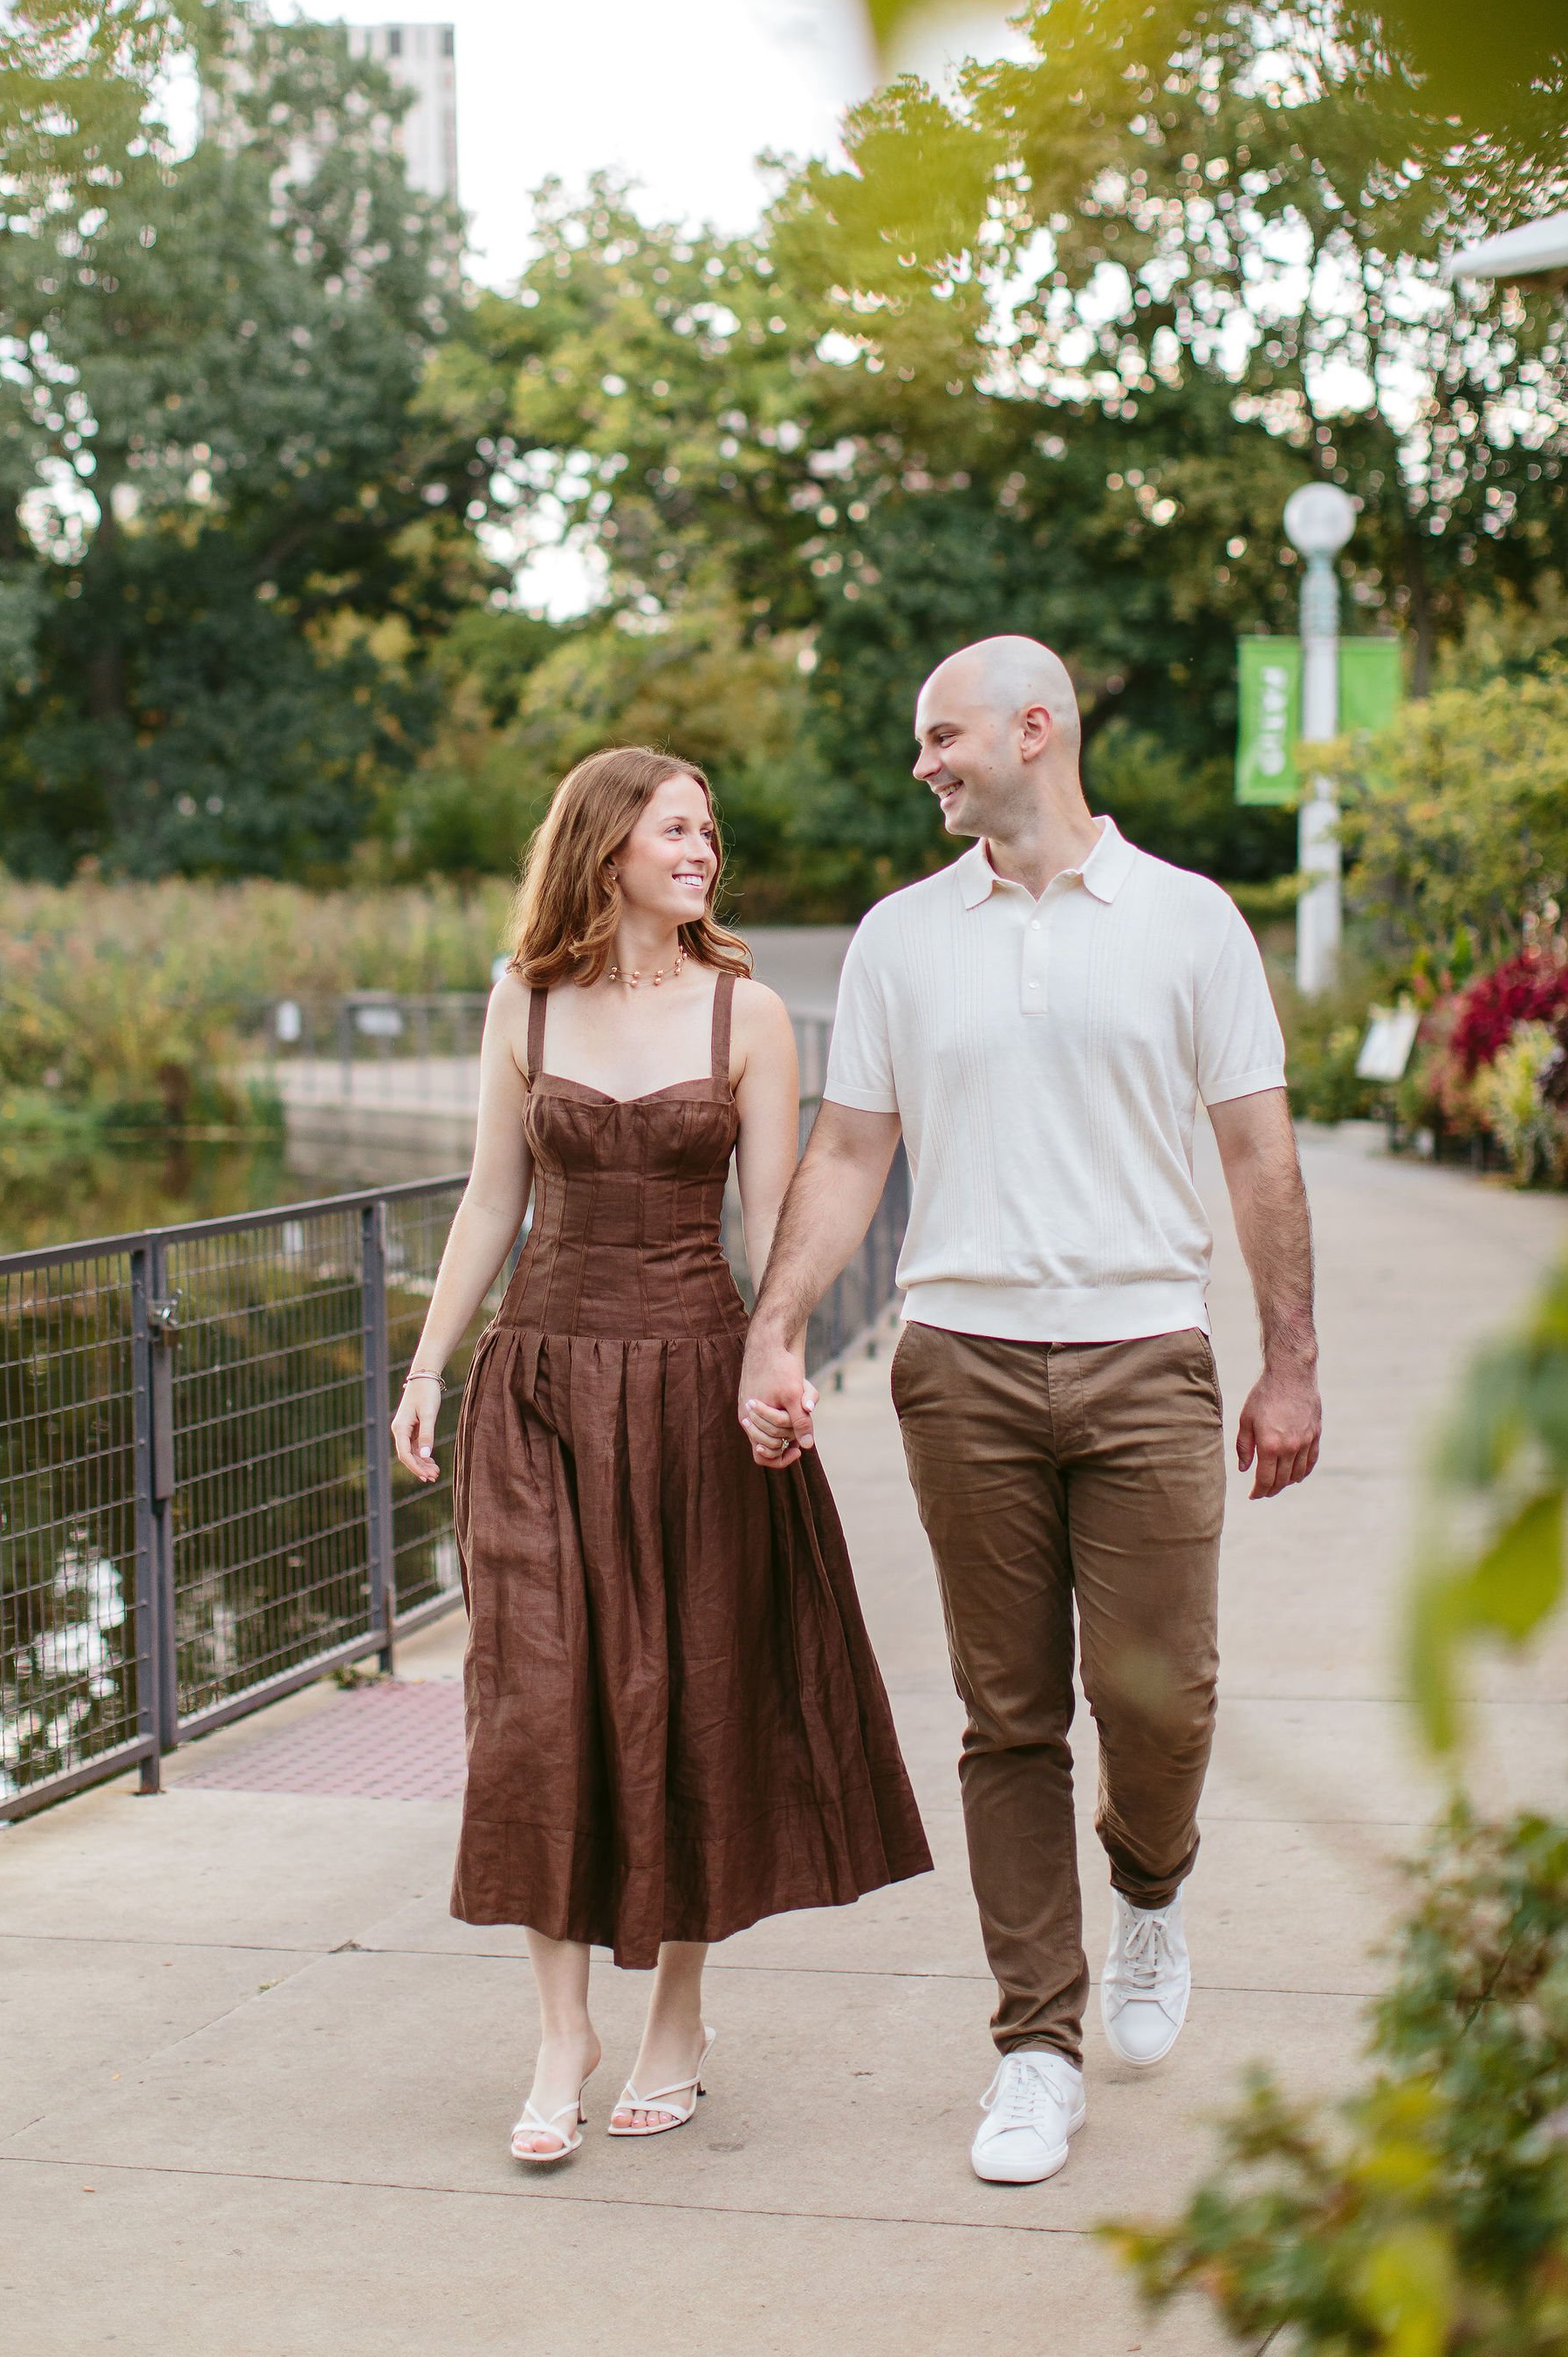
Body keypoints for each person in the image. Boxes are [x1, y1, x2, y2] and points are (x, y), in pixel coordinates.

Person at [739, 636, 1321, 2188]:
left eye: (943, 737)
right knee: (1008, 1719)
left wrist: (1291, 1360)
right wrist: (774, 1328)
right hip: (962, 1366)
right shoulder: (899, 939)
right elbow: (850, 1152)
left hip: (1147, 1356)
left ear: (1035, 730)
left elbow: (1258, 1154)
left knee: (1162, 1701)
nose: (922, 764)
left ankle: (1152, 1886)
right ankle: (1035, 2050)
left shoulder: (1188, 921)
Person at [393, 745, 928, 2167]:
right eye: (677, 829)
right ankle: (561, 2033)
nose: (702, 851)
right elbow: (491, 1201)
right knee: (536, 1704)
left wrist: (780, 1369)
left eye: (709, 832)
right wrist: (428, 1367)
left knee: (695, 1695)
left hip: (695, 1387)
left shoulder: (748, 1016)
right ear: (607, 845)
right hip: (539, 1387)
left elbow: (774, 1226)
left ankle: (677, 2021)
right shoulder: (525, 1000)